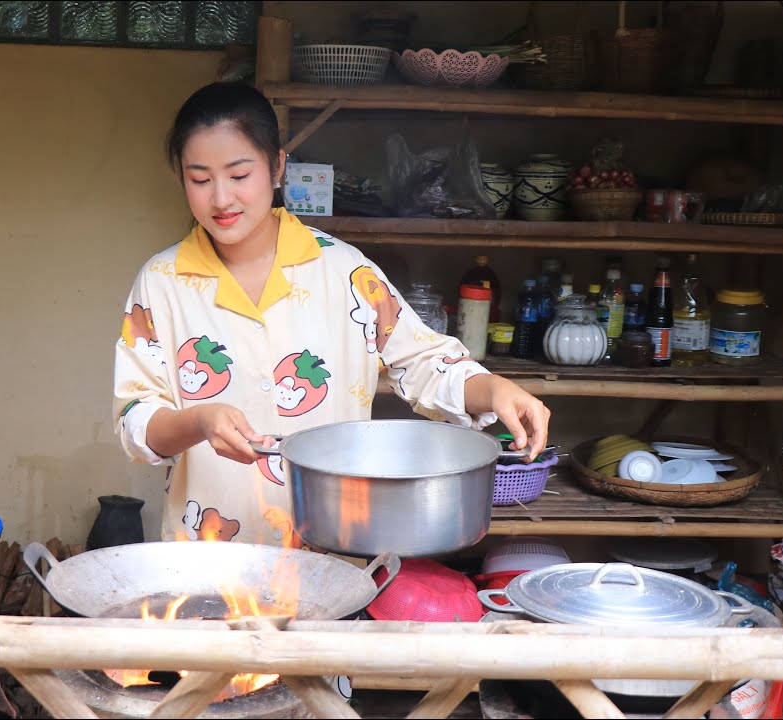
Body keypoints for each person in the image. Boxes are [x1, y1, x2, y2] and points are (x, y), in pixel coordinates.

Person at [112, 82, 551, 547]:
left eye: (239, 175)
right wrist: (199, 421)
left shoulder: (343, 270)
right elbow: (136, 421)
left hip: (330, 550)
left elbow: (425, 363)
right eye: (200, 180)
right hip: (207, 556)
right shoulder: (161, 282)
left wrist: (494, 389)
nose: (221, 199)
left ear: (277, 166)